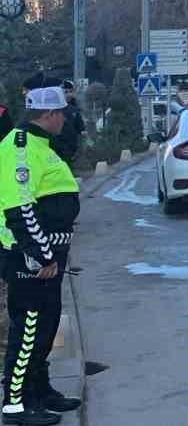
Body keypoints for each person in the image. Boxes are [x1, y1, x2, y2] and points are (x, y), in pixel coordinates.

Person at [0, 87, 82, 425]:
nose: (65, 118)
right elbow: (19, 208)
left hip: (44, 258)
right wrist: (42, 257)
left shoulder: (38, 144)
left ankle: (41, 390)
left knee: (46, 326)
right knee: (29, 328)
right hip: (29, 259)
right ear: (49, 115)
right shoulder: (20, 148)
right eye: (62, 113)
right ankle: (16, 404)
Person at [50, 82, 82, 166]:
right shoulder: (52, 110)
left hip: (71, 150)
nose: (69, 94)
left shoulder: (74, 110)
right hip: (56, 150)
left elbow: (80, 128)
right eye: (65, 92)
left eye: (71, 92)